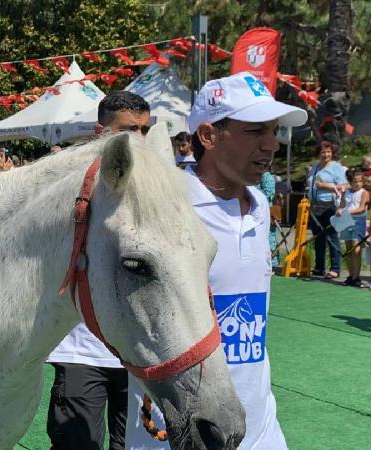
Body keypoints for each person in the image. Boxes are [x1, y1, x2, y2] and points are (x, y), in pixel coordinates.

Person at [126, 71, 307, 450]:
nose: (272, 144)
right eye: (255, 131)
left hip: (260, 428)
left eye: (274, 131)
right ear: (208, 136)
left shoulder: (258, 208)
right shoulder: (165, 208)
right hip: (180, 431)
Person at [46, 90, 150, 450]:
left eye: (144, 130)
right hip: (81, 350)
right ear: (100, 131)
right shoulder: (69, 186)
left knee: (132, 447)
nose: (137, 140)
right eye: (127, 130)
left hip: (136, 352)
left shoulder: (156, 192)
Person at [307, 138, 348, 278]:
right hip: (314, 205)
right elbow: (312, 184)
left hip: (329, 205)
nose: (326, 155)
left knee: (332, 237)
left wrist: (327, 186)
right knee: (318, 237)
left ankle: (335, 268)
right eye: (323, 152)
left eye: (328, 152)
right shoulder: (314, 167)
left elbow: (344, 186)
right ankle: (319, 267)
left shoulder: (336, 167)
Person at [337, 169, 369, 287]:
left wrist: (346, 212)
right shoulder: (346, 192)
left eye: (360, 181)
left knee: (356, 248)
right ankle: (351, 276)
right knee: (349, 248)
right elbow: (342, 205)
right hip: (346, 220)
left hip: (358, 221)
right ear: (350, 182)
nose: (358, 184)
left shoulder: (364, 193)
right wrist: (340, 210)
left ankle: (357, 276)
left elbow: (361, 208)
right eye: (355, 182)